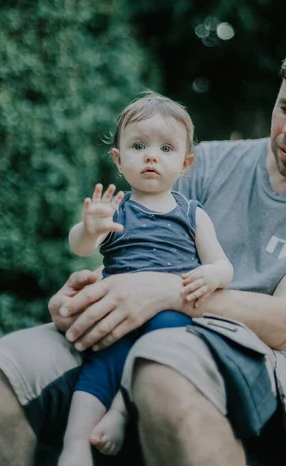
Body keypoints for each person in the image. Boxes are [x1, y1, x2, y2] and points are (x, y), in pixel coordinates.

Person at [0, 30, 286, 466]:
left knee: (161, 368)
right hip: (135, 328)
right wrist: (86, 299)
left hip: (254, 355)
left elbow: (281, 323)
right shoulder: (210, 162)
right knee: (4, 370)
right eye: (285, 107)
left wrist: (161, 291)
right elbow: (136, 250)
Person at [57, 92, 233, 465]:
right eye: (139, 145)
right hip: (116, 313)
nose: (152, 155)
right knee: (100, 365)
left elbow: (223, 264)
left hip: (169, 318)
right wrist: (89, 229)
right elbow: (80, 246)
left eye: (166, 148)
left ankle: (120, 411)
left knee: (164, 339)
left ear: (185, 164)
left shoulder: (191, 214)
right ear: (119, 160)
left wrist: (211, 274)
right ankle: (74, 444)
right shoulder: (116, 207)